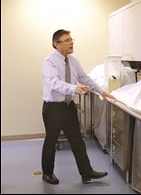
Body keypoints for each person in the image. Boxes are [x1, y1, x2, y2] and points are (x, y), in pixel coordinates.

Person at [41, 29, 115, 185]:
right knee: (51, 141)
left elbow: (84, 78)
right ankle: (47, 173)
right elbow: (53, 83)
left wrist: (102, 91)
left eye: (71, 39)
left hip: (68, 107)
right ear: (56, 44)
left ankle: (86, 172)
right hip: (53, 108)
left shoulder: (73, 61)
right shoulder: (49, 62)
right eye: (67, 40)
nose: (71, 42)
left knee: (77, 140)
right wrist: (74, 88)